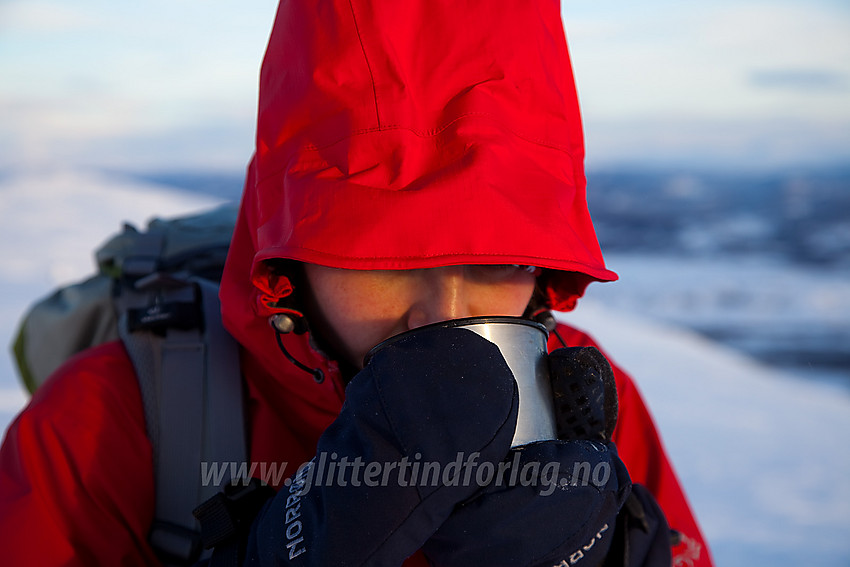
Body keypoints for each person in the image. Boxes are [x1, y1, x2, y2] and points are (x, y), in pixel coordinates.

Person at [0, 1, 713, 565]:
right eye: (387, 256)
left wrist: (621, 551)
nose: (446, 319)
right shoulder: (105, 427)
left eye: (501, 258)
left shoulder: (582, 401)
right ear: (292, 253)